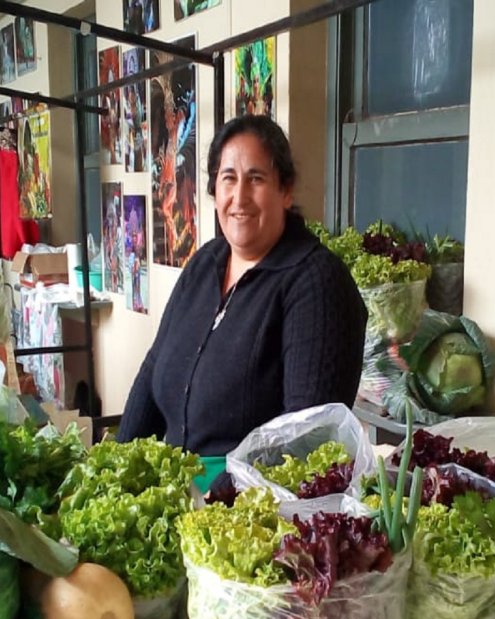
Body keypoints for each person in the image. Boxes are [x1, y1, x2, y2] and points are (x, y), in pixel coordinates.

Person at [117, 115, 367, 456]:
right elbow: (153, 367)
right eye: (229, 178)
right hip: (178, 478)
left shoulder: (318, 284)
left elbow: (305, 438)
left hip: (249, 489)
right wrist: (115, 465)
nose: (240, 197)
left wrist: (214, 490)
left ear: (286, 190)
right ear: (215, 189)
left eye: (256, 179)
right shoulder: (205, 263)